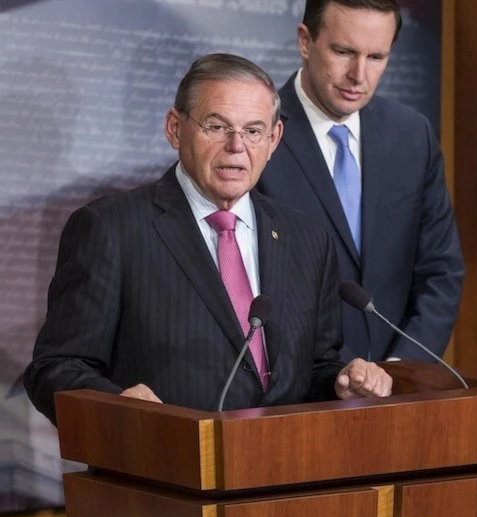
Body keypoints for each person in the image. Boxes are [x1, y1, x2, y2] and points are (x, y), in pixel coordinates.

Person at [24, 53, 392, 422]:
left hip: (284, 468)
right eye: (217, 127)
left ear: (274, 138)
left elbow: (316, 367)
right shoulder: (111, 229)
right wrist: (119, 406)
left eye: (252, 131)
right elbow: (55, 369)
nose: (236, 146)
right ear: (174, 128)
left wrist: (340, 384)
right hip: (164, 467)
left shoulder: (308, 239)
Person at [256, 0, 464, 362]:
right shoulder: (255, 137)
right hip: (297, 397)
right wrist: (339, 372)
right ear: (305, 41)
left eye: (376, 57)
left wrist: (400, 371)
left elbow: (440, 272)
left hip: (395, 391)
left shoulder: (413, 136)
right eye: (343, 52)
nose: (359, 75)